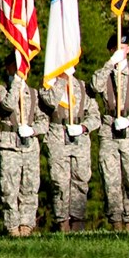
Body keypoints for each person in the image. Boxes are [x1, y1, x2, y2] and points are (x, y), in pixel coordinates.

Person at [90, 35, 129, 231]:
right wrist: (110, 64)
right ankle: (116, 222)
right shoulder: (103, 73)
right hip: (109, 132)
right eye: (116, 48)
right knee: (110, 180)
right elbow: (95, 86)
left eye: (123, 47)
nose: (120, 51)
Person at [39, 70, 101, 232]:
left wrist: (83, 127)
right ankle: (62, 222)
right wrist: (62, 80)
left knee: (80, 180)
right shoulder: (48, 85)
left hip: (79, 139)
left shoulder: (82, 87)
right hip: (57, 136)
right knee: (59, 182)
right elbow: (51, 102)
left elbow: (95, 116)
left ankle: (78, 222)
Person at [0, 65, 48, 236]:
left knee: (30, 188)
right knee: (10, 189)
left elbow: (44, 121)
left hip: (29, 147)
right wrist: (16, 84)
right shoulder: (1, 91)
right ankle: (12, 226)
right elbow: (6, 107)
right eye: (15, 67)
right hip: (10, 146)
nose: (20, 70)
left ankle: (26, 225)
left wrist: (33, 130)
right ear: (8, 69)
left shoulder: (33, 94)